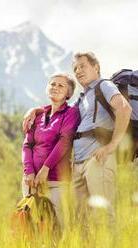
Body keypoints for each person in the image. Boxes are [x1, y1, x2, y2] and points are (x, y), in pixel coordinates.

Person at [23, 52, 132, 227]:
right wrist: (36, 110)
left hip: (98, 159)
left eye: (83, 66)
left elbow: (124, 108)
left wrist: (112, 145)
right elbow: (60, 107)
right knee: (81, 220)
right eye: (75, 68)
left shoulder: (104, 85)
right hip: (79, 164)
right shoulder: (82, 98)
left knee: (103, 214)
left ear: (96, 67)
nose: (78, 70)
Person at [22, 73, 80, 229]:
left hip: (57, 180)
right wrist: (29, 172)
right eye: (53, 84)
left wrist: (45, 169)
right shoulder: (38, 115)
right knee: (31, 227)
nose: (55, 87)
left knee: (58, 228)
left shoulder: (71, 113)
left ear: (68, 93)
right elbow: (27, 145)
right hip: (31, 181)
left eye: (61, 85)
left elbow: (65, 141)